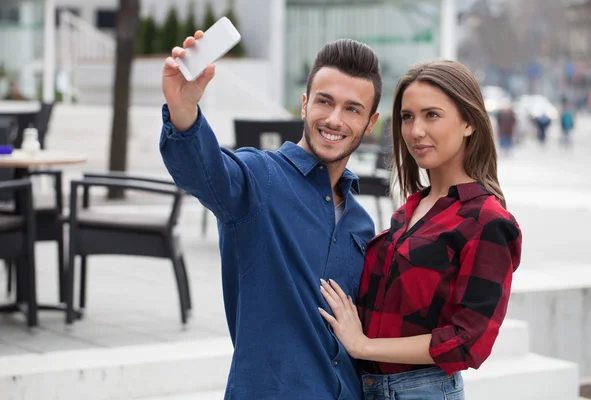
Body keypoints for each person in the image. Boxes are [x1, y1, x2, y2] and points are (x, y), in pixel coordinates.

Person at [160, 31, 381, 399]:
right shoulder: (258, 178)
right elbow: (205, 171)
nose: (334, 119)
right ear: (304, 104)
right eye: (324, 102)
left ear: (370, 123)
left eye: (352, 109)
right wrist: (184, 111)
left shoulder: (362, 223)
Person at [318, 60, 522, 400]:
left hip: (421, 390)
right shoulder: (410, 210)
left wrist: (364, 345)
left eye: (432, 115)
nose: (415, 131)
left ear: (469, 122)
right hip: (362, 386)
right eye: (407, 116)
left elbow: (468, 341)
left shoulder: (487, 220)